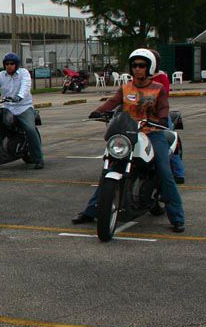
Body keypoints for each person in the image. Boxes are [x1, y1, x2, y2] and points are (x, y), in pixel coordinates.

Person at [72, 48, 185, 232]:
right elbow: (113, 102)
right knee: (109, 168)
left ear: (150, 67)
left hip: (153, 133)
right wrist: (98, 111)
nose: (137, 68)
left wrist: (163, 119)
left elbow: (164, 108)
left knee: (165, 172)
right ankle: (91, 211)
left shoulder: (158, 89)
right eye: (134, 65)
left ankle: (177, 218)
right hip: (129, 133)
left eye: (141, 65)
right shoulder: (126, 88)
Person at [0, 52, 44, 169]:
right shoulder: (1, 75)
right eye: (7, 64)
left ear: (16, 64)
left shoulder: (24, 73)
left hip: (23, 107)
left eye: (11, 63)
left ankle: (38, 158)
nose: (9, 66)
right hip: (7, 106)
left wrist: (20, 96)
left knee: (30, 129)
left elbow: (26, 86)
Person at [150, 63, 186, 184]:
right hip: (141, 115)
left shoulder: (161, 77)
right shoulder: (139, 78)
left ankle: (179, 173)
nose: (139, 67)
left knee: (168, 142)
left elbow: (164, 95)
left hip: (160, 115)